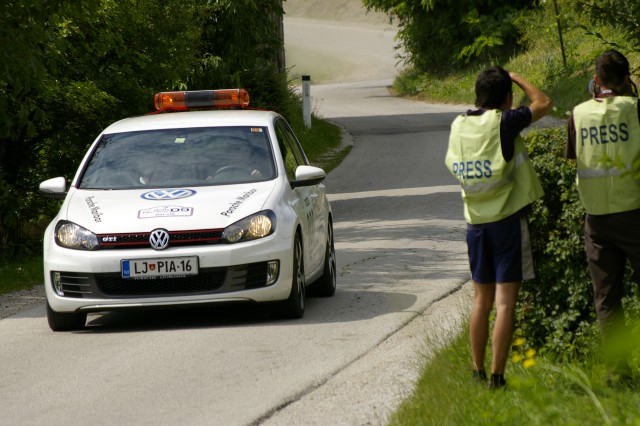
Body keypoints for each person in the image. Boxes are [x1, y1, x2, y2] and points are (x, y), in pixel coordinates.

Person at [445, 67, 553, 389]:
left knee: (481, 300)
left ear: (476, 96)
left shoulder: (459, 125)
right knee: (505, 303)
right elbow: (544, 102)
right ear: (506, 99)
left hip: (475, 224)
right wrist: (517, 76)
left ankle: (476, 371)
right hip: (506, 222)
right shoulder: (504, 122)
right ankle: (497, 377)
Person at [566, 49, 640, 386]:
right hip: (634, 212)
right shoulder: (635, 109)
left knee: (606, 299)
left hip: (596, 219)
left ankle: (618, 373)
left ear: (596, 81)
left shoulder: (578, 114)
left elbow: (574, 158)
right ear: (627, 80)